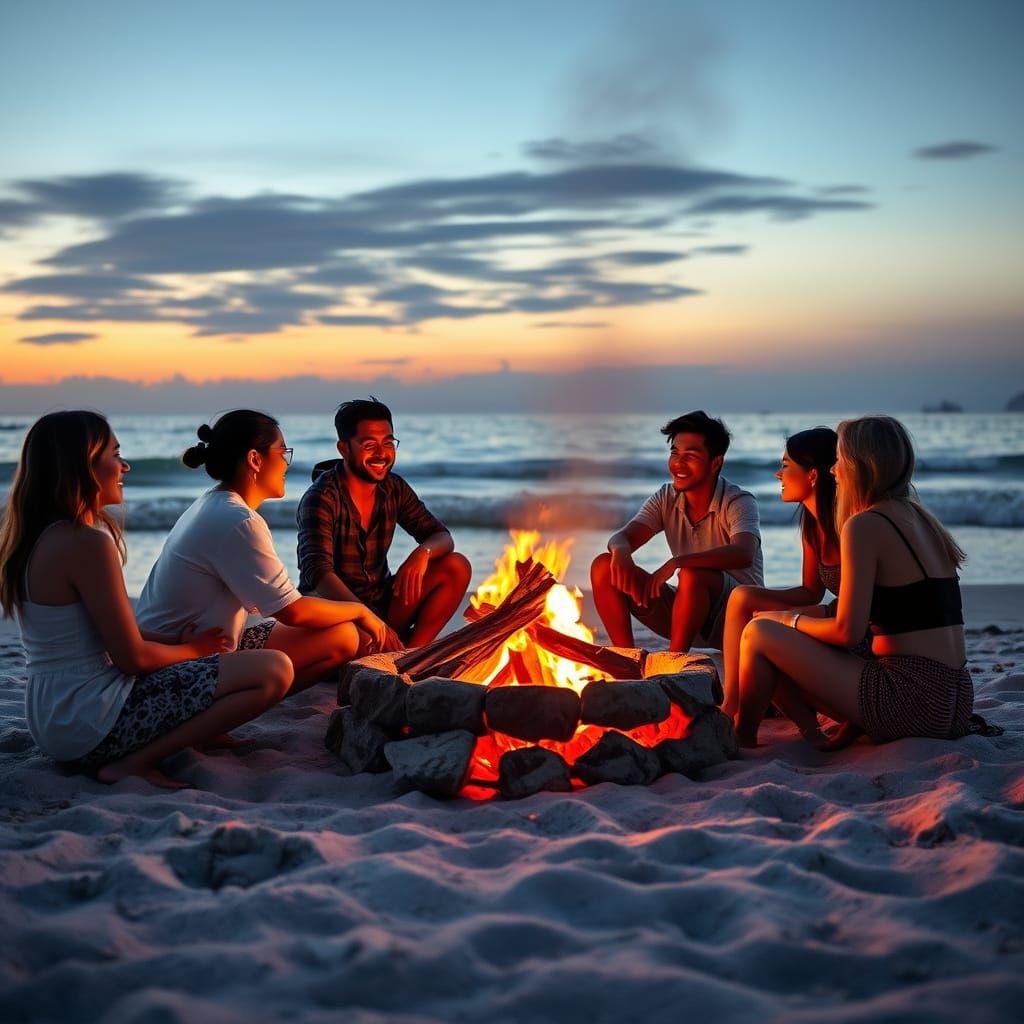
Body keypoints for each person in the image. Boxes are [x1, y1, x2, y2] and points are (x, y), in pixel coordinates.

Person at [0, 411, 294, 789]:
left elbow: (92, 637)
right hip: (93, 720)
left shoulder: (38, 539)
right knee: (274, 670)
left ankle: (179, 738)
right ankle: (135, 763)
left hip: (54, 719)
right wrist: (194, 650)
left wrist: (175, 643)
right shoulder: (87, 544)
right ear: (82, 465)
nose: (125, 466)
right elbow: (132, 659)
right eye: (114, 455)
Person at [735, 415, 973, 749]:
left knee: (759, 632)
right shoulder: (921, 518)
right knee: (778, 637)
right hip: (956, 700)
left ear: (860, 465)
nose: (833, 470)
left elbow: (847, 631)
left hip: (913, 701)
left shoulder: (864, 525)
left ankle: (742, 738)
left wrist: (787, 619)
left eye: (839, 460)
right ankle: (815, 730)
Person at [136, 410, 388, 691]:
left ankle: (248, 698)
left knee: (343, 635)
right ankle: (242, 703)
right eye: (283, 453)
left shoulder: (214, 502)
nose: (286, 464)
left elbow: (277, 605)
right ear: (255, 459)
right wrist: (360, 611)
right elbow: (293, 612)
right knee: (344, 636)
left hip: (196, 645)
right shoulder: (238, 520)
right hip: (177, 664)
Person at [296, 397, 471, 650]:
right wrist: (364, 617)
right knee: (355, 638)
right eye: (369, 445)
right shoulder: (321, 497)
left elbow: (441, 536)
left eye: (388, 443)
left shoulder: (393, 488)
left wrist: (422, 554)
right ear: (344, 449)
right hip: (336, 612)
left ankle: (410, 656)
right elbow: (318, 574)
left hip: (381, 601)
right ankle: (384, 649)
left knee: (456, 566)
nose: (381, 453)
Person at [591, 410, 764, 652]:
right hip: (688, 614)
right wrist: (621, 551)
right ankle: (626, 660)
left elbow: (743, 553)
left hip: (739, 620)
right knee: (603, 566)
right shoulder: (666, 497)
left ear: (716, 463)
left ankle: (675, 658)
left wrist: (677, 562)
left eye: (690, 455)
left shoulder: (738, 501)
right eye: (674, 453)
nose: (678, 464)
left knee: (692, 573)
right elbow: (622, 537)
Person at [721, 427, 840, 729]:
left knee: (763, 627)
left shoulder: (847, 525)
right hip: (834, 613)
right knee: (743, 596)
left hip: (858, 627)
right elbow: (812, 590)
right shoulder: (812, 523)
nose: (778, 474)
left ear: (813, 475)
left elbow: (852, 614)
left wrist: (783, 618)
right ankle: (731, 702)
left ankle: (751, 721)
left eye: (786, 465)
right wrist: (765, 607)